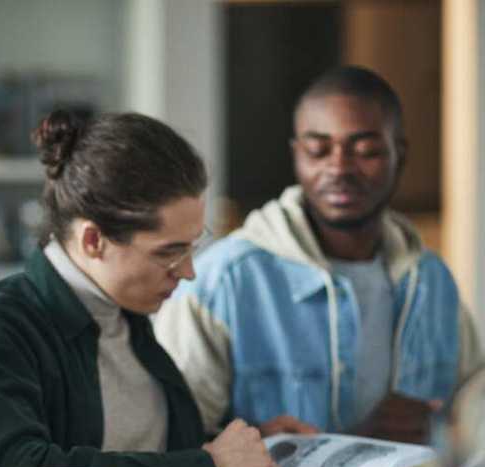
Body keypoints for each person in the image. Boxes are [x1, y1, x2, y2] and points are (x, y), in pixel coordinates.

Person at [0, 111, 276, 467]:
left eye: (192, 246)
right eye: (169, 252)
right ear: (94, 240)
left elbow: (141, 446)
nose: (187, 271)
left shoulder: (125, 314)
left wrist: (249, 443)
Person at [155, 66, 483, 444]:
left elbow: (476, 418)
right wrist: (283, 444)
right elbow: (172, 445)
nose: (339, 167)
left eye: (366, 151)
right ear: (296, 155)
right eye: (318, 150)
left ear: (400, 154)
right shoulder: (222, 281)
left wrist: (446, 428)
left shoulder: (431, 281)